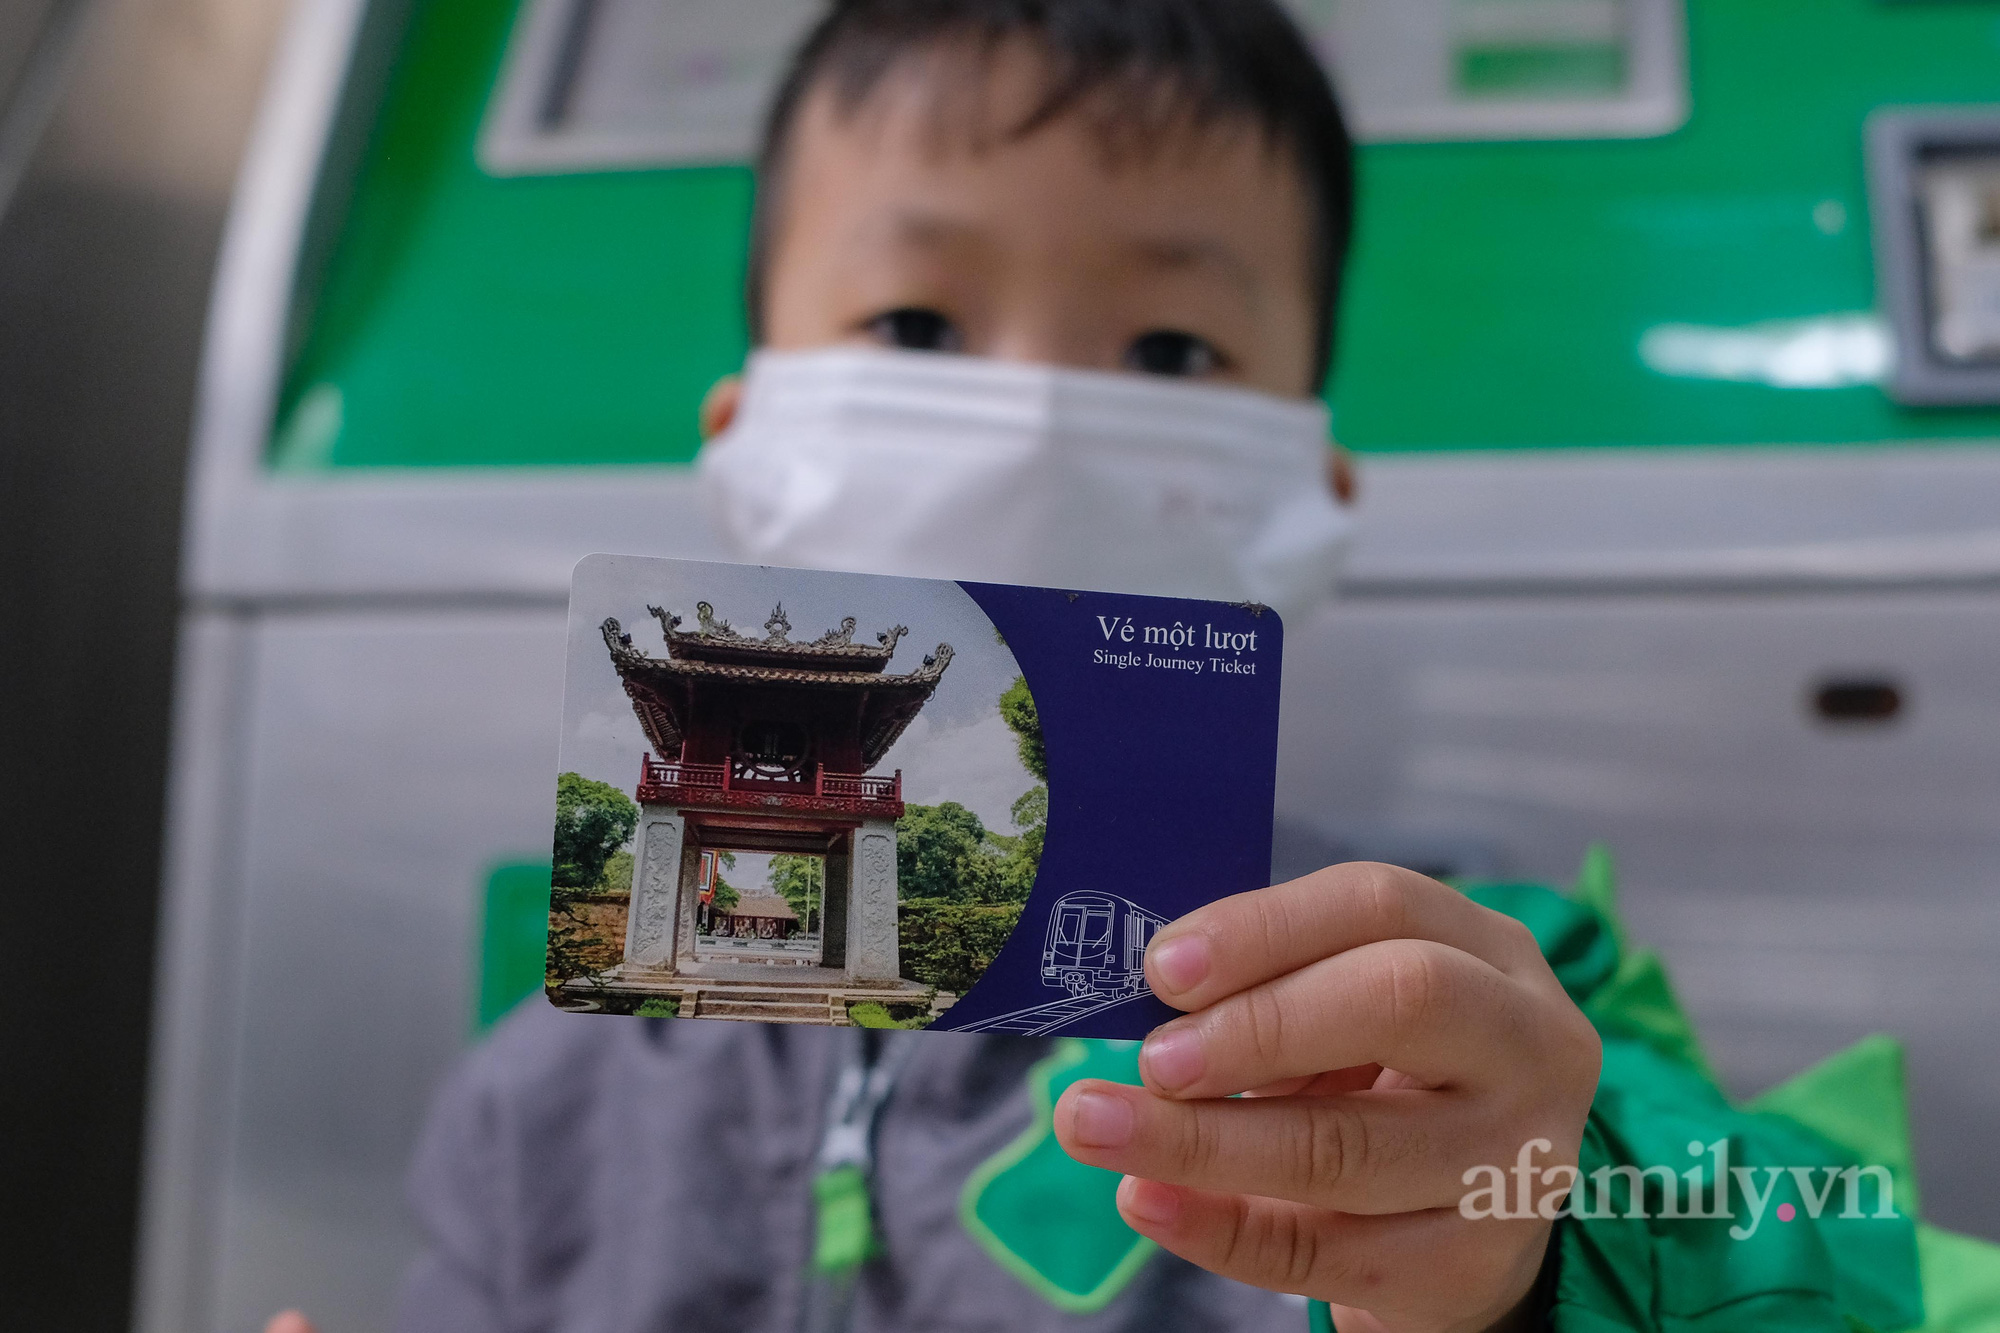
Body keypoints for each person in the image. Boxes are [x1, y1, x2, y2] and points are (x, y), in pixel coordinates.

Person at [267, 2, 1995, 1330]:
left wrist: (1544, 1233)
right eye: (920, 329)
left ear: (1315, 499)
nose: (1033, 424)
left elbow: (1854, 1264)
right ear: (750, 442)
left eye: (1171, 343)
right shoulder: (545, 1091)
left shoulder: (1475, 1005)